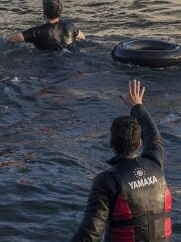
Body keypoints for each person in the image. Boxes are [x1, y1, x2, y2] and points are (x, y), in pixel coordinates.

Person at [70, 80, 172, 242]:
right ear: (139, 143)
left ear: (112, 145)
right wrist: (137, 106)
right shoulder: (154, 164)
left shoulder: (107, 181)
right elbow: (154, 136)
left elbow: (90, 234)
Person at [5, 0, 85, 50]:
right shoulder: (70, 26)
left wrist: (5, 36)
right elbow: (82, 37)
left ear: (44, 13)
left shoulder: (38, 32)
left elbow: (10, 38)